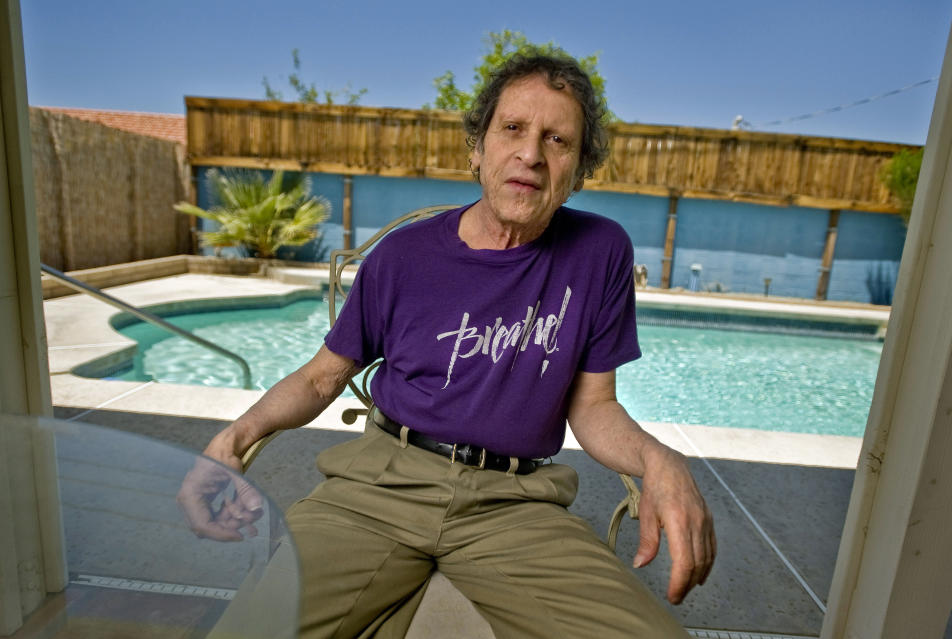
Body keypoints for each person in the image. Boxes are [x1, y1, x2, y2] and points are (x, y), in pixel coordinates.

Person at [179, 51, 716, 638]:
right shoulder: (403, 257)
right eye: (512, 129)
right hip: (379, 486)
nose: (531, 154)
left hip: (515, 504)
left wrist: (661, 460)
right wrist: (230, 439)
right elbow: (320, 378)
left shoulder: (599, 252)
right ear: (477, 148)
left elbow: (594, 407)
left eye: (557, 140)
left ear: (578, 171)